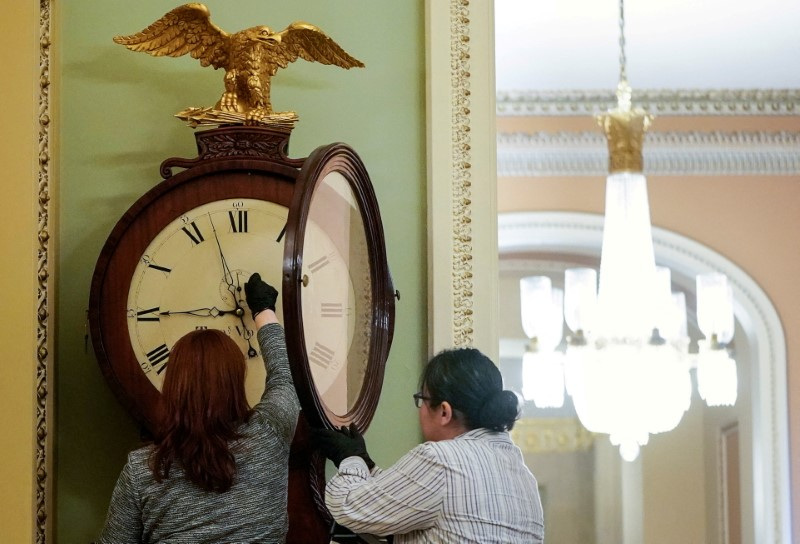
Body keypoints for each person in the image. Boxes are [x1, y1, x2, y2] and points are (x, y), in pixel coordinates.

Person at [97, 273, 300, 543]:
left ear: (173, 387)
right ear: (235, 383)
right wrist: (264, 311)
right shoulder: (269, 434)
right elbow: (286, 375)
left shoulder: (143, 471)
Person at [314, 347, 545, 543]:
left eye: (422, 399)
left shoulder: (442, 459)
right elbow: (407, 498)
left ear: (444, 411)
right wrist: (366, 464)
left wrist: (349, 459)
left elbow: (347, 507)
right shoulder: (524, 476)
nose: (420, 409)